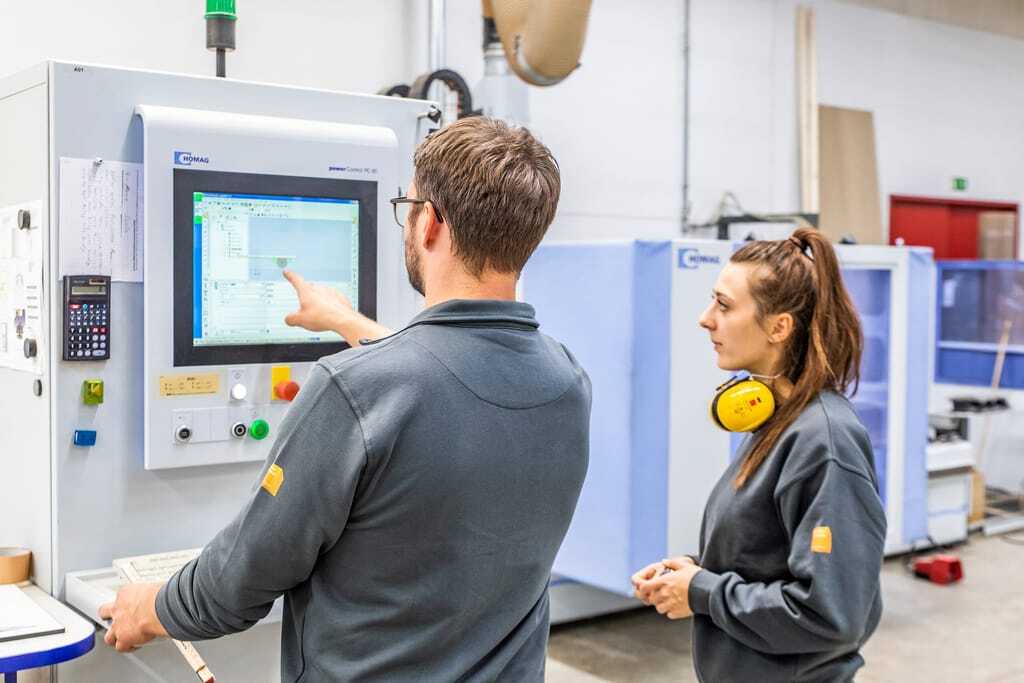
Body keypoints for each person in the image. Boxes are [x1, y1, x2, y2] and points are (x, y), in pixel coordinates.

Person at [100, 116, 591, 682]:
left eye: (409, 206)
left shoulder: (353, 389)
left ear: (430, 222)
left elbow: (236, 585)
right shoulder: (567, 382)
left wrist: (149, 607)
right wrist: (345, 320)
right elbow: (450, 376)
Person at [631, 228, 886, 683]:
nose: (705, 319)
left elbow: (831, 614)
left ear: (779, 327)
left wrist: (704, 591)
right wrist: (694, 572)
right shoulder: (780, 422)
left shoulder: (825, 442)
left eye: (724, 305)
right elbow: (767, 554)